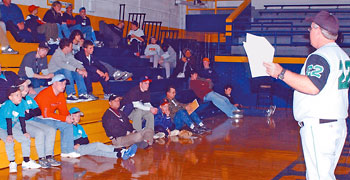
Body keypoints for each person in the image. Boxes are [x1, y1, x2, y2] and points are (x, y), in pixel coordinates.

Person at [263, 11, 349, 180]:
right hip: (336, 125)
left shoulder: (320, 56)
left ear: (318, 29)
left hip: (320, 127)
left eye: (310, 28)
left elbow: (312, 86)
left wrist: (280, 73)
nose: (308, 32)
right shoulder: (341, 55)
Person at [34, 74, 81, 158]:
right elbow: (45, 114)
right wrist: (64, 118)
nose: (64, 86)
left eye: (65, 83)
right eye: (61, 83)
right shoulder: (45, 94)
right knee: (51, 125)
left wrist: (70, 118)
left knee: (68, 125)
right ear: (54, 83)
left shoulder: (60, 94)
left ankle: (67, 151)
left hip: (49, 117)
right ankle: (49, 155)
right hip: (37, 118)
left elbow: (63, 111)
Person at [17, 79, 61, 168]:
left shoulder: (29, 98)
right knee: (39, 132)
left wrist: (30, 113)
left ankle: (49, 156)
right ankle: (41, 158)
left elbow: (38, 110)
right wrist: (30, 113)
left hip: (31, 121)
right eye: (23, 86)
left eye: (27, 86)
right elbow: (22, 116)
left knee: (51, 130)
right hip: (20, 124)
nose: (26, 88)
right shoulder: (16, 99)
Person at [70, 107, 138, 160]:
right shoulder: (68, 127)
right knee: (97, 145)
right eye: (76, 116)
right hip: (75, 150)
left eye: (79, 116)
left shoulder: (80, 127)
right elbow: (69, 141)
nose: (78, 118)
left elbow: (86, 140)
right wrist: (78, 142)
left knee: (99, 152)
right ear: (71, 116)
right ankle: (120, 149)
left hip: (83, 147)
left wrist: (79, 142)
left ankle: (121, 154)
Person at [0, 86, 41, 172]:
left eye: (20, 95)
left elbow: (22, 118)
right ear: (10, 97)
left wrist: (24, 132)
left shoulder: (22, 103)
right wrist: (10, 135)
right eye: (17, 95)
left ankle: (26, 161)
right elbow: (8, 121)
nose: (20, 97)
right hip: (2, 127)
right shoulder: (8, 105)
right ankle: (12, 162)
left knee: (26, 138)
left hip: (11, 126)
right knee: (9, 141)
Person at [48, 38, 92, 102]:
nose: (72, 48)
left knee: (78, 72)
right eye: (71, 46)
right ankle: (70, 95)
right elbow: (63, 65)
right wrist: (77, 69)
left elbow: (74, 62)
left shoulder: (68, 54)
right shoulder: (57, 54)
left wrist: (82, 69)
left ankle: (82, 94)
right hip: (55, 73)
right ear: (66, 47)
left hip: (64, 71)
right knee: (67, 70)